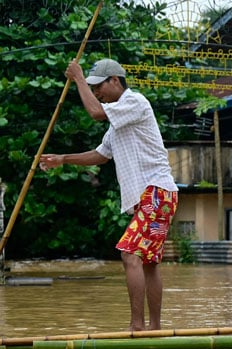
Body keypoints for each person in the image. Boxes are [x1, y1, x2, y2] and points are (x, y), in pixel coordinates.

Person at [40, 58, 179, 331]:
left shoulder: (135, 102)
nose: (96, 93)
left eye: (98, 87)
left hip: (157, 192)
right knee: (148, 262)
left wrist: (79, 78)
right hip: (155, 196)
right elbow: (100, 155)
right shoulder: (118, 121)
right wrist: (63, 159)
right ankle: (154, 330)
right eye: (92, 88)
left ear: (115, 80)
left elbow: (95, 112)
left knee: (129, 255)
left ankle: (137, 327)